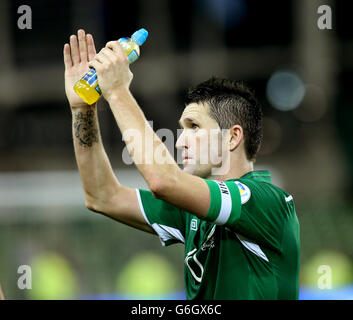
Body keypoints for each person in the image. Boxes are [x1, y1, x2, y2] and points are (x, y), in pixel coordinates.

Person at [64, 29, 300, 299]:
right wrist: (82, 109)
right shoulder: (192, 212)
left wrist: (117, 91)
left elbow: (163, 180)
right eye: (182, 129)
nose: (179, 142)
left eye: (194, 127)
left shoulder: (266, 201)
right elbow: (102, 196)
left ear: (233, 137)